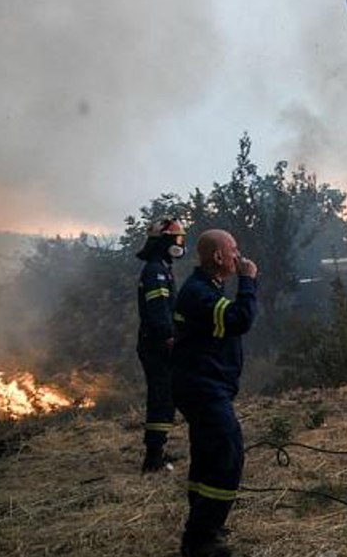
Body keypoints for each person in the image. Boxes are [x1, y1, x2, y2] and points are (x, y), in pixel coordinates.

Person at [171, 229, 258, 557]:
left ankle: (202, 523)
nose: (239, 255)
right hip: (202, 388)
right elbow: (239, 319)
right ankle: (201, 538)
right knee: (226, 452)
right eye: (233, 249)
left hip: (202, 385)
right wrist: (248, 281)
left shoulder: (207, 288)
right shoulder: (199, 293)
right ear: (218, 256)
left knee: (206, 455)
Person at [135, 217, 186, 473]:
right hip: (157, 345)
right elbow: (158, 311)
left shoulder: (161, 267)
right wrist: (169, 337)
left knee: (166, 396)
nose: (181, 243)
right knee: (161, 397)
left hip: (158, 343)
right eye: (178, 239)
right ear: (165, 242)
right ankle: (153, 458)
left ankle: (158, 449)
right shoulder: (155, 271)